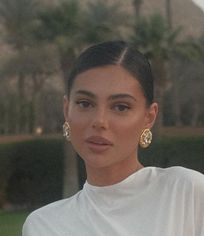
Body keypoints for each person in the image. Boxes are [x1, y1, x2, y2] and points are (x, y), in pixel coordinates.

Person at [23, 41, 204, 236]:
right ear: (67, 110)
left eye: (120, 107)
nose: (99, 121)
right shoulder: (44, 225)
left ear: (149, 117)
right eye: (85, 103)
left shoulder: (186, 193)